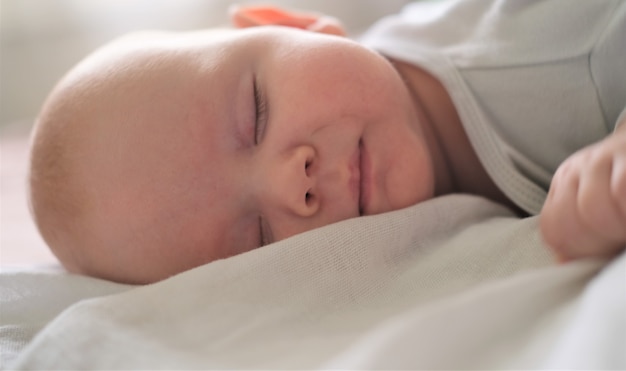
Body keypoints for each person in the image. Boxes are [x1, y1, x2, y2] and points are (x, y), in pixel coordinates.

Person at [28, 1, 626, 285]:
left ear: (288, 23)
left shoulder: (554, 48)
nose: (294, 182)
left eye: (256, 115)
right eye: (256, 238)